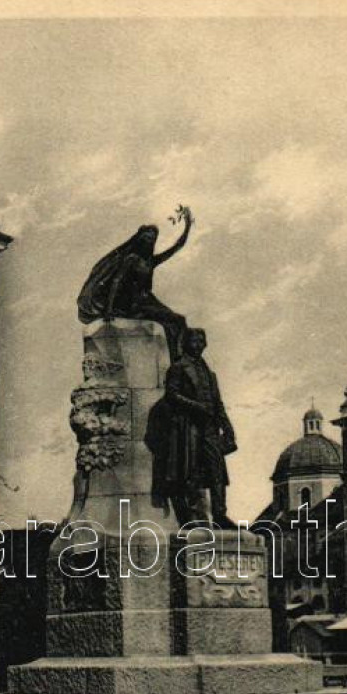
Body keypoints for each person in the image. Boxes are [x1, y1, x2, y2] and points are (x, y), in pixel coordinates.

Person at [145, 327, 237, 526]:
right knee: (189, 471)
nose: (198, 345)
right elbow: (172, 395)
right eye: (194, 341)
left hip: (210, 428)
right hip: (188, 428)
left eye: (201, 341)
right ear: (186, 343)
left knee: (216, 471)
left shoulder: (209, 373)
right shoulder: (178, 367)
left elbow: (217, 403)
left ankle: (220, 514)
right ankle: (190, 515)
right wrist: (196, 407)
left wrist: (228, 427)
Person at [77, 208, 193, 361]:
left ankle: (179, 358)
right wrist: (109, 309)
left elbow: (177, 247)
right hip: (134, 304)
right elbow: (117, 281)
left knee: (178, 321)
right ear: (139, 239)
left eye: (152, 239)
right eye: (146, 238)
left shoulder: (150, 261)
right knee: (175, 321)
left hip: (147, 300)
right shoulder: (131, 258)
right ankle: (177, 360)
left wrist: (187, 226)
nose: (150, 241)